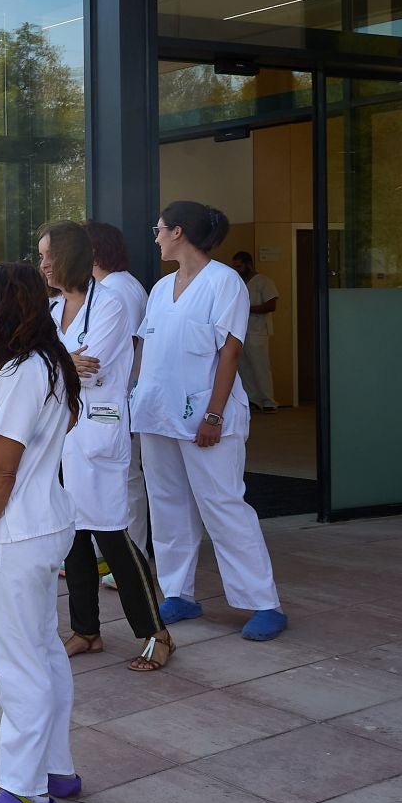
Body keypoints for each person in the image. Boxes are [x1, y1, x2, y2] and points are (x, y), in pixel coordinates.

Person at [0, 262, 81, 803]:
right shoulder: (48, 362)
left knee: (18, 663)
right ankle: (55, 769)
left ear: (5, 307)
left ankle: (25, 792)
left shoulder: (20, 371)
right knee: (44, 650)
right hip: (43, 523)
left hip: (14, 531)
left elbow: (1, 469)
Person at [133, 202, 288, 642]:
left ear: (178, 232)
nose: (156, 236)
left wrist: (214, 414)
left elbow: (230, 352)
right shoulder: (162, 288)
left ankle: (263, 602)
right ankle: (178, 593)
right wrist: (137, 395)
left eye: (159, 229)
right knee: (167, 505)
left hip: (207, 415)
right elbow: (147, 348)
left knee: (222, 505)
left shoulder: (224, 283)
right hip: (158, 414)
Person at [37, 222, 172, 672]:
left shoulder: (111, 304)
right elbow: (49, 363)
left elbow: (89, 369)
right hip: (63, 434)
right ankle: (86, 631)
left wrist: (54, 362)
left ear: (71, 258)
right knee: (72, 537)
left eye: (48, 257)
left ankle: (156, 631)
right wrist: (60, 361)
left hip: (98, 432)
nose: (42, 265)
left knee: (113, 534)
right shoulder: (54, 310)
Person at [85, 219, 151, 556]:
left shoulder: (119, 289)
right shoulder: (109, 286)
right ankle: (109, 556)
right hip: (110, 398)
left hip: (118, 398)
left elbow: (114, 351)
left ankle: (131, 555)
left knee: (125, 480)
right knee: (111, 479)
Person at [232, 251, 279, 412]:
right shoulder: (239, 283)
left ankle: (268, 402)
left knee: (260, 367)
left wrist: (247, 309)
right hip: (241, 331)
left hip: (258, 331)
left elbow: (271, 305)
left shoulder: (264, 281)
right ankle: (252, 399)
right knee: (244, 368)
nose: (237, 269)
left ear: (249, 264)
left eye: (239, 266)